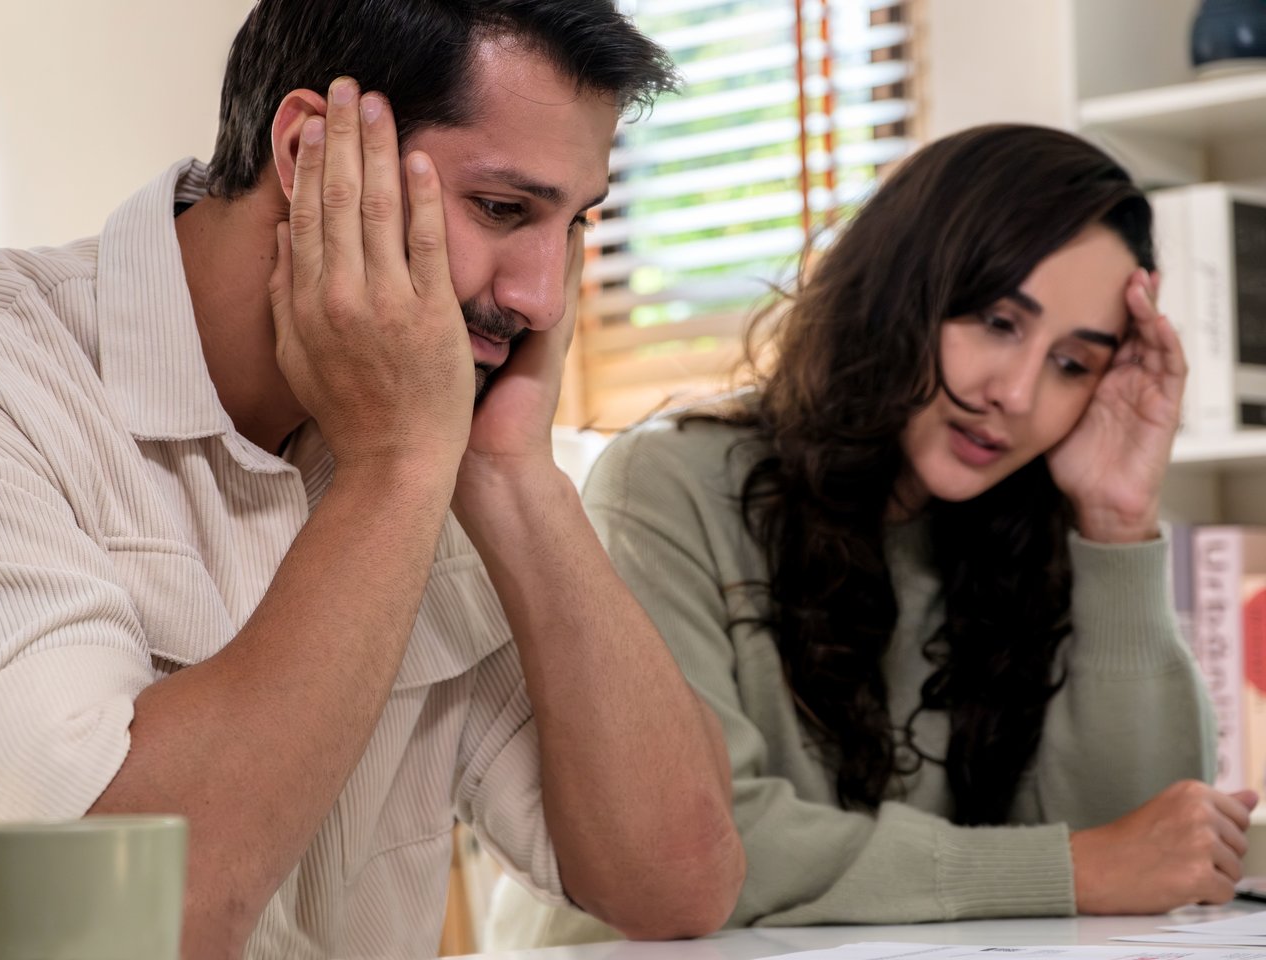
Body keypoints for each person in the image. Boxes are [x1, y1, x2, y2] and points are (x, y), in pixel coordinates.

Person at [0, 2, 747, 958]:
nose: (543, 298)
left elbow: (675, 885)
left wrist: (512, 475)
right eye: (502, 209)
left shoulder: (446, 420)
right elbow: (130, 927)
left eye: (575, 223)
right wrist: (394, 471)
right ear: (312, 156)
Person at [487, 123, 1253, 949]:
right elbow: (707, 850)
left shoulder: (1034, 527)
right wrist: (1067, 870)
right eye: (998, 322)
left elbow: (1144, 851)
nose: (1018, 393)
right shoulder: (668, 484)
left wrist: (1118, 522)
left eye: (1073, 363)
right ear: (901, 288)